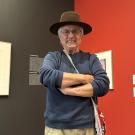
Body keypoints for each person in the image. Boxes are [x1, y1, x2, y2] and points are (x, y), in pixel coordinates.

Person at [40, 11, 110, 135]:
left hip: (86, 128)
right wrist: (85, 78)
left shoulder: (91, 59)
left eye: (75, 31)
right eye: (66, 31)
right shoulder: (53, 57)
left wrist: (69, 90)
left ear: (81, 35)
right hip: (56, 129)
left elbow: (103, 84)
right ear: (59, 36)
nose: (71, 36)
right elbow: (46, 75)